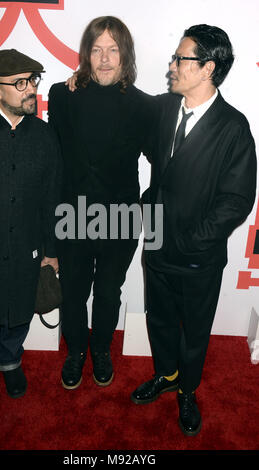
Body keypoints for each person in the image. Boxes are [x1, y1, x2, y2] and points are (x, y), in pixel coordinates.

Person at [131, 24, 257, 436]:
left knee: (194, 330)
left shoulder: (233, 128)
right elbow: (141, 138)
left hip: (198, 256)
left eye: (181, 58)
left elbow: (236, 202)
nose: (172, 65)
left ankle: (187, 390)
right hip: (158, 244)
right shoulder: (167, 108)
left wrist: (191, 239)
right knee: (160, 320)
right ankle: (165, 376)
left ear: (207, 68)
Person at [48, 16, 156, 390]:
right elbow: (54, 161)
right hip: (72, 213)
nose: (105, 58)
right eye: (97, 50)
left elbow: (163, 166)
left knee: (109, 291)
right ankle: (76, 350)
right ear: (86, 55)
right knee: (74, 291)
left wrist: (153, 220)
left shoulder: (147, 107)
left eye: (113, 50)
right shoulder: (62, 95)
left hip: (122, 216)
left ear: (125, 55)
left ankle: (101, 349)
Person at [0, 49, 62, 417]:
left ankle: (9, 361)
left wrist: (51, 249)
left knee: (18, 312)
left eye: (33, 80)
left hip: (26, 249)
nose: (30, 89)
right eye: (20, 83)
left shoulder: (45, 135)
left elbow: (53, 195)